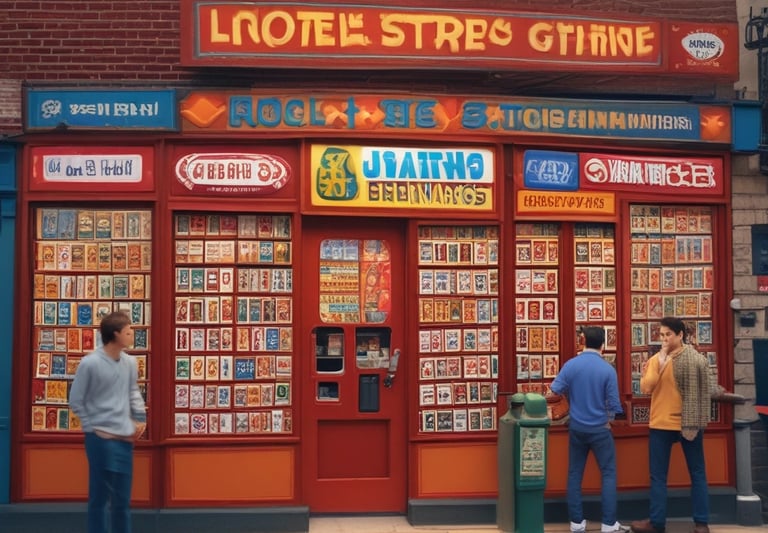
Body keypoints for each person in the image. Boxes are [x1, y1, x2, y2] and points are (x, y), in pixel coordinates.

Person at [631, 317, 711, 533]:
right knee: (664, 475)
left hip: (681, 423)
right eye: (662, 334)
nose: (664, 339)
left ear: (680, 335)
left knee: (694, 473)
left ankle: (699, 522)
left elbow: (707, 387)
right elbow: (646, 387)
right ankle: (665, 523)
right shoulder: (659, 359)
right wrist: (660, 363)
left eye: (668, 334)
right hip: (666, 422)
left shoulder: (693, 359)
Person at [69, 311, 147, 533]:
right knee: (99, 499)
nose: (133, 335)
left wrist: (140, 419)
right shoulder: (90, 363)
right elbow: (76, 399)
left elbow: (133, 392)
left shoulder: (130, 363)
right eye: (129, 332)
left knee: (122, 501)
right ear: (116, 335)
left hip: (124, 439)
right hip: (100, 439)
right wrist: (92, 427)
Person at [550, 326, 626, 533]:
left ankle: (576, 522)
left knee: (575, 474)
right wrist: (611, 418)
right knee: (608, 474)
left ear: (583, 341)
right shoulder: (607, 370)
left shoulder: (571, 365)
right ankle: (609, 523)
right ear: (603, 345)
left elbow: (554, 390)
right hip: (600, 429)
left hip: (577, 427)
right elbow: (614, 404)